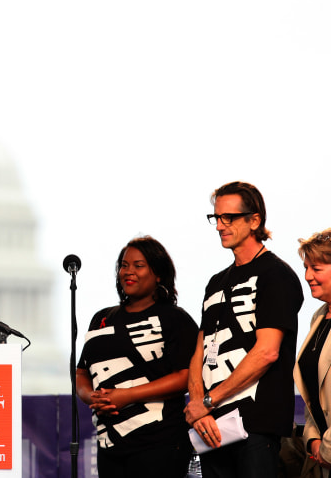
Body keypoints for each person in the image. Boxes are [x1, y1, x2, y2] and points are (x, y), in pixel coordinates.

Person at [185, 181, 304, 478]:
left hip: (254, 423)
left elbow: (267, 352)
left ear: (255, 220)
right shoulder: (215, 282)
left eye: (229, 218)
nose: (219, 226)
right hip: (212, 427)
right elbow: (201, 348)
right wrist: (199, 404)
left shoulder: (276, 275)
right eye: (216, 218)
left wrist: (209, 401)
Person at [76, 236, 198, 478]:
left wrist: (127, 396)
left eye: (138, 265)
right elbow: (81, 372)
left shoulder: (175, 318)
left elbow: (186, 377)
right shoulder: (102, 318)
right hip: (109, 444)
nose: (128, 271)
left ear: (159, 274)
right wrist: (91, 397)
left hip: (159, 442)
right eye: (124, 265)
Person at [294, 228, 331, 475]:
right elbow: (313, 394)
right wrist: (313, 439)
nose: (307, 276)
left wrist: (327, 449)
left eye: (316, 269)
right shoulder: (319, 317)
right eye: (306, 268)